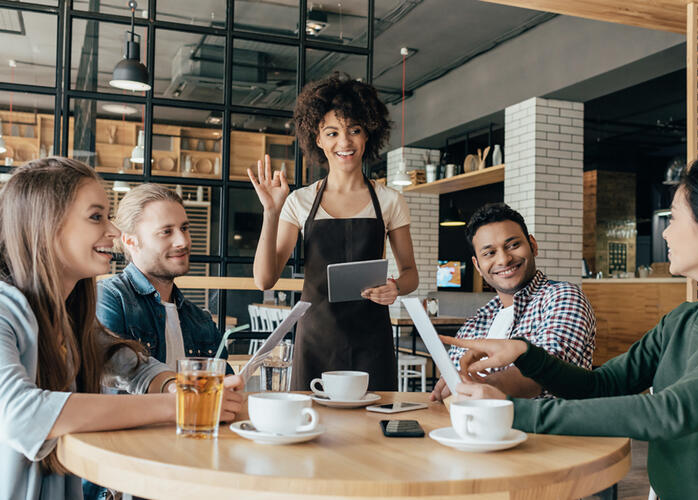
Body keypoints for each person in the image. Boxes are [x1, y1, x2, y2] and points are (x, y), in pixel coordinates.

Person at [442, 155, 698, 500]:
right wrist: (526, 354)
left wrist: (510, 412)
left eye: (674, 218)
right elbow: (601, 384)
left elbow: (670, 411)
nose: (665, 231)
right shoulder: (681, 321)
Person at [0, 157, 242, 500]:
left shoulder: (68, 313)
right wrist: (187, 405)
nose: (114, 232)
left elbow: (130, 364)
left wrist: (178, 387)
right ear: (46, 224)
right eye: (97, 217)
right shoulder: (4, 309)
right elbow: (21, 414)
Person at [249, 73, 418, 391]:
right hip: (316, 338)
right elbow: (264, 280)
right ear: (317, 139)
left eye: (354, 130)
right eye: (333, 132)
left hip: (372, 338)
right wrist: (271, 212)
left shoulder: (389, 200)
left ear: (368, 134)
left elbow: (411, 274)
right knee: (314, 432)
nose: (345, 142)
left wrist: (395, 287)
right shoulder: (299, 201)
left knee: (372, 431)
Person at [430, 202, 595, 401]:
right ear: (478, 265)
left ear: (533, 245)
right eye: (489, 253)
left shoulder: (563, 297)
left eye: (513, 245)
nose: (504, 259)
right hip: (474, 427)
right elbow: (454, 379)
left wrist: (481, 388)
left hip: (543, 430)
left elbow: (550, 371)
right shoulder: (479, 319)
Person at [97, 184, 229, 370]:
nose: (183, 241)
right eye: (166, 232)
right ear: (130, 241)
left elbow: (223, 386)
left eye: (184, 228)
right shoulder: (109, 298)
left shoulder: (200, 320)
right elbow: (114, 374)